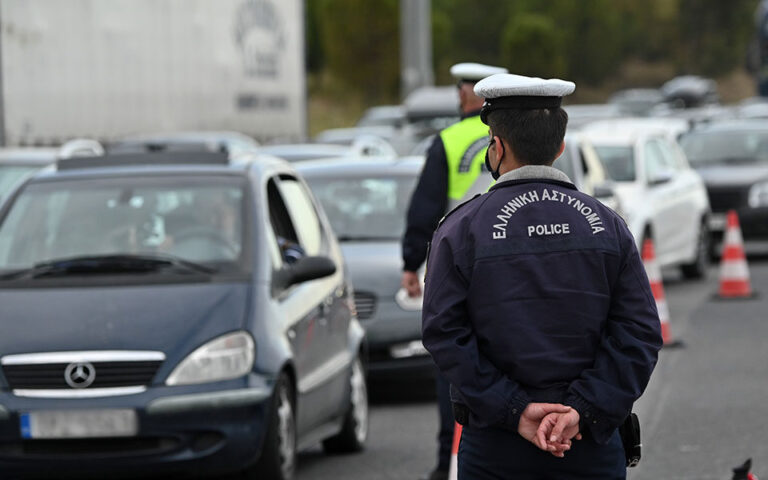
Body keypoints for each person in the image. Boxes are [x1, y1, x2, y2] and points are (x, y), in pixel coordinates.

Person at [421, 73, 663, 479]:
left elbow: (444, 332)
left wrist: (513, 410)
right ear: (561, 146)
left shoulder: (461, 229)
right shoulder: (609, 226)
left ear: (496, 147)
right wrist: (582, 411)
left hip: (496, 448)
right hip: (590, 445)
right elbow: (639, 332)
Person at [401, 62, 508, 480]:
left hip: (460, 272)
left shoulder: (447, 141)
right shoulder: (526, 135)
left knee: (457, 372)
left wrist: (412, 262)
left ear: (468, 95)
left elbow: (425, 210)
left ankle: (453, 464)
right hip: (516, 269)